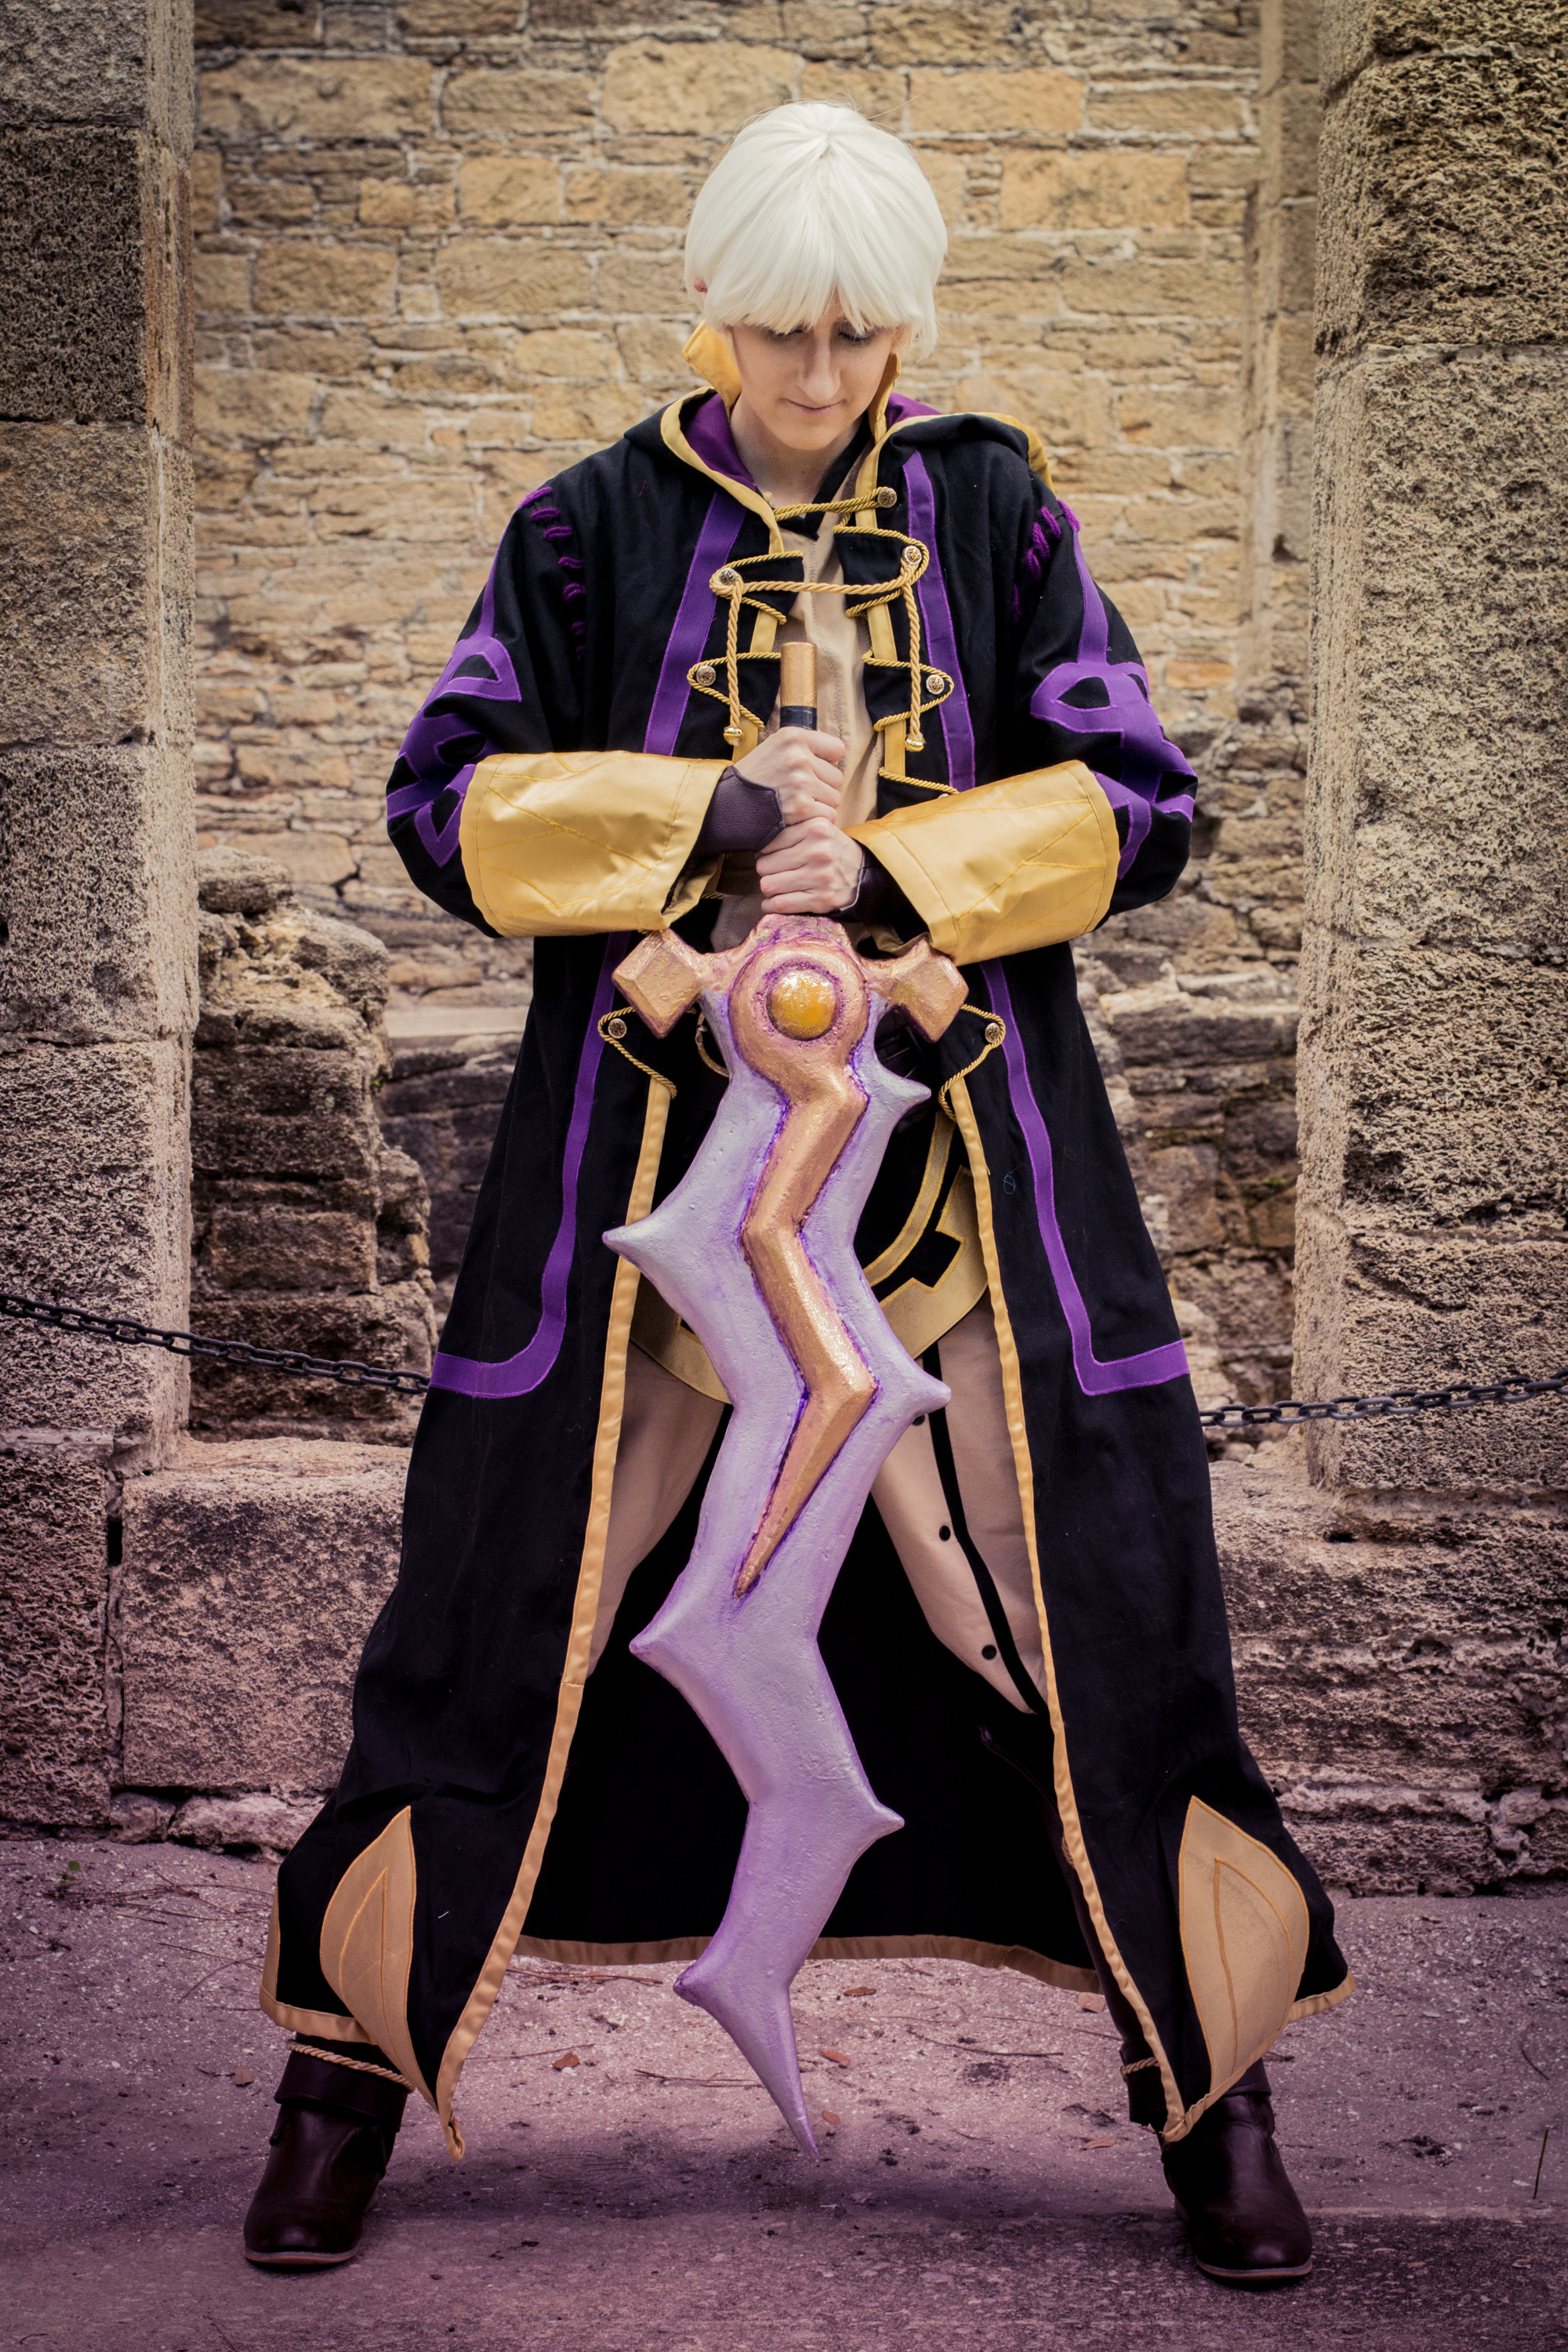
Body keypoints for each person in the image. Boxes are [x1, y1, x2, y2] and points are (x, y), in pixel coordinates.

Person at [243, 103, 1350, 2284]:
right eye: (782, 333)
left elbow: (1144, 800)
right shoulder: (583, 530)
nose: (821, 375)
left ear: (901, 327)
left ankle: (1213, 2096)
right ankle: (340, 2080)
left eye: (857, 335)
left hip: (963, 1187)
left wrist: (912, 872)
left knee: (1087, 1609)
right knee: (513, 1601)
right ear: (712, 309)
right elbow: (442, 805)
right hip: (648, 1197)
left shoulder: (999, 509)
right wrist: (714, 816)